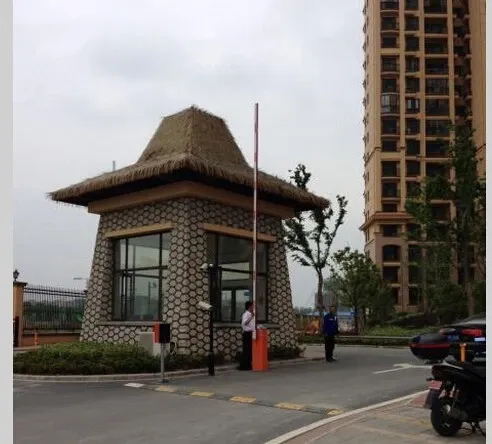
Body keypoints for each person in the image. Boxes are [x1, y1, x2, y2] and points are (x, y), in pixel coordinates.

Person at [238, 301, 255, 370]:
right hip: (247, 333)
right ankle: (244, 365)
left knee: (250, 349)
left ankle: (249, 365)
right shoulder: (246, 314)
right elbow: (245, 323)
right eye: (252, 306)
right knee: (246, 349)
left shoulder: (251, 314)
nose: (253, 307)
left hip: (250, 333)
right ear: (249, 306)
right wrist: (251, 317)